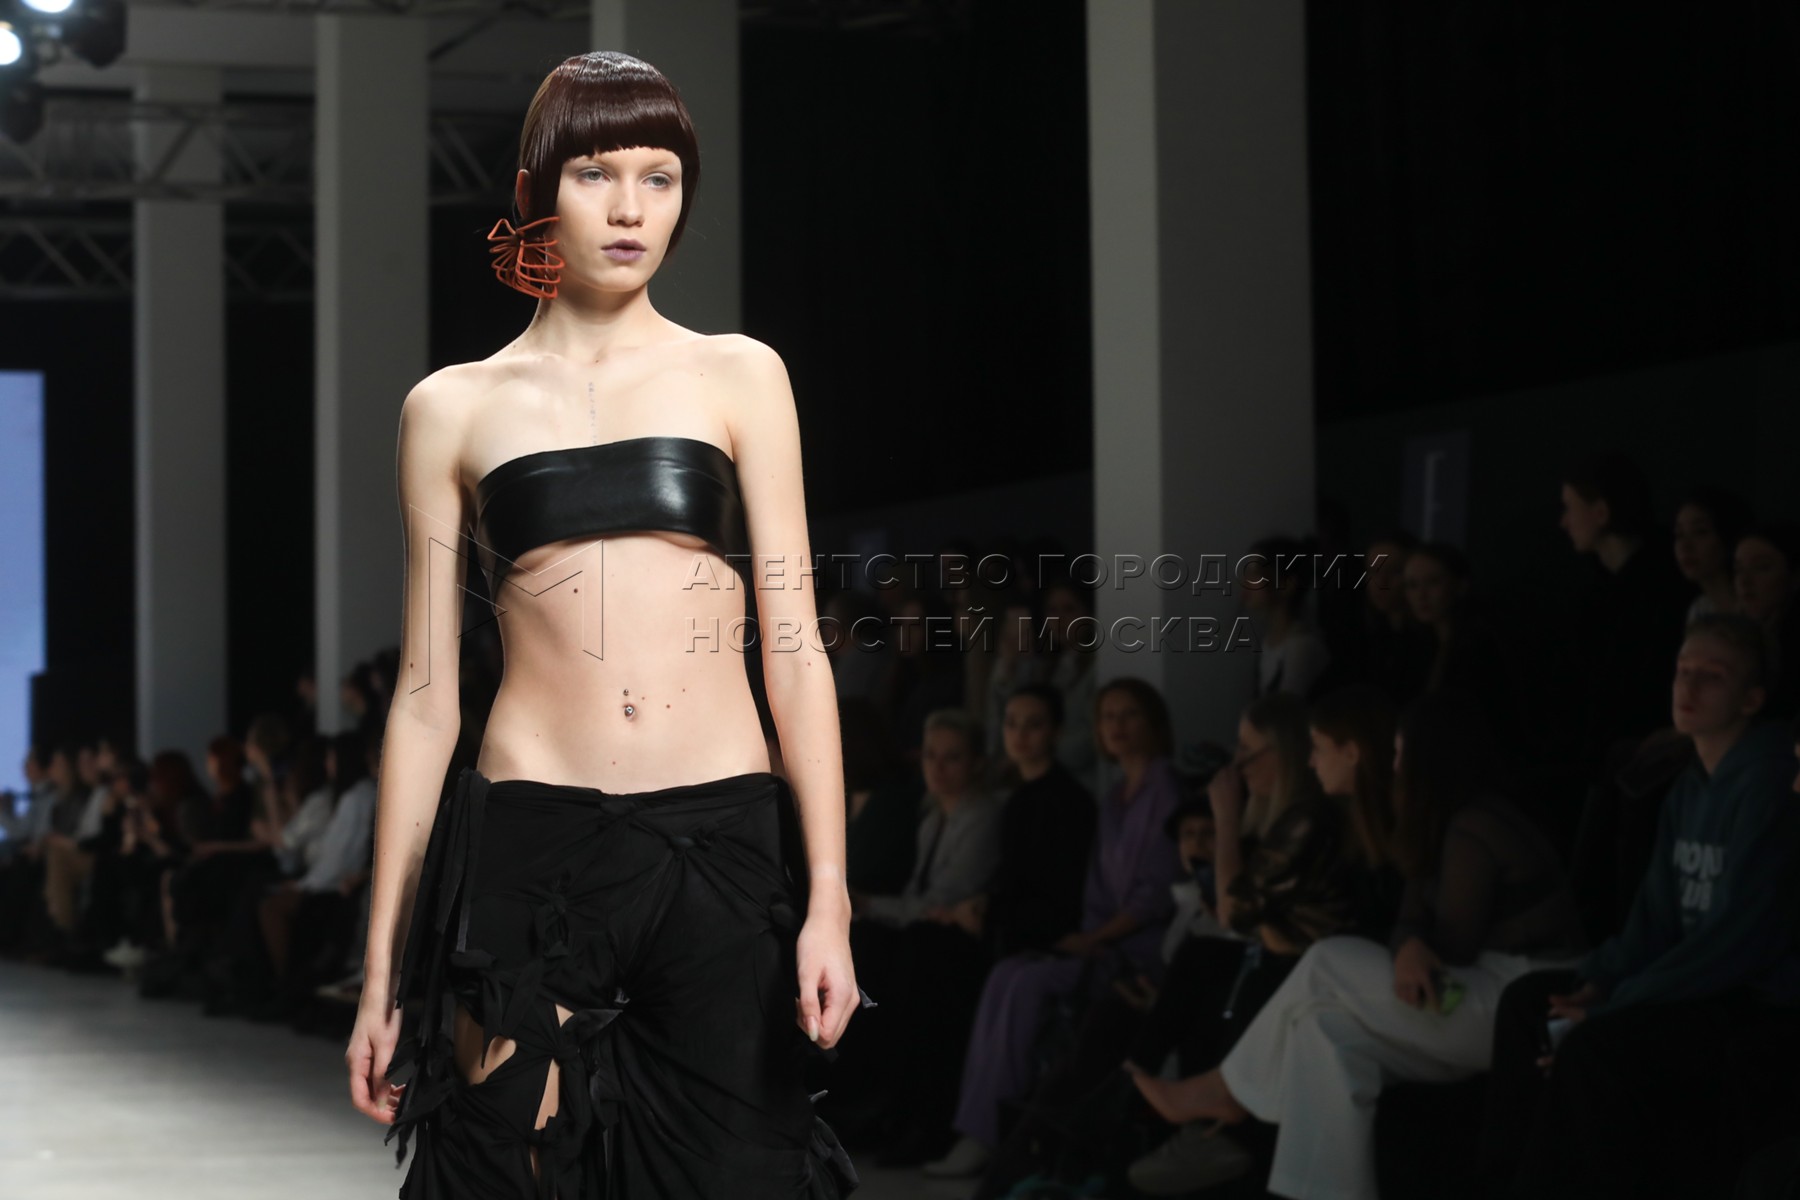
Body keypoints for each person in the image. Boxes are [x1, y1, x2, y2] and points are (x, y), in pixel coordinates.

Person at [344, 52, 866, 1199]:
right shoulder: (451, 407)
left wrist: (828, 900)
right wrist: (382, 971)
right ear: (536, 191)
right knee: (506, 1170)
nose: (631, 208)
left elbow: (795, 650)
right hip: (535, 842)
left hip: (720, 845)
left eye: (659, 178)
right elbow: (427, 696)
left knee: (734, 1179)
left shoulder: (740, 376)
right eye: (595, 174)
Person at [1126, 691, 1586, 1200]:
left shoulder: (1476, 825)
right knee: (1324, 1032)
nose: (1394, 766)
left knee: (1327, 960)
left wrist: (1414, 944)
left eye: (1401, 754)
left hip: (1524, 1000)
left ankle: (1226, 1089)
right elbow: (1413, 920)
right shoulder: (1438, 822)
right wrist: (1409, 943)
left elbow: (1451, 948)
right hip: (1482, 993)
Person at [1483, 616, 1800, 1200]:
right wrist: (1599, 983)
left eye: (1712, 676)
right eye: (1682, 670)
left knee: (1596, 1049)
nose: (1688, 687)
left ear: (1752, 699)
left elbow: (1740, 940)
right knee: (1530, 1005)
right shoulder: (1687, 787)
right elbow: (1653, 918)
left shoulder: (1771, 784)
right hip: (1687, 984)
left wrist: (1619, 1004)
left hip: (1750, 998)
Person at [923, 676, 1184, 1180]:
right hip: (1099, 939)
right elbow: (1096, 889)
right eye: (1108, 716)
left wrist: (1093, 939)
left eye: (1129, 715)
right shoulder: (1115, 798)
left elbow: (1153, 894)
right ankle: (979, 1127)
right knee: (1006, 975)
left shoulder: (1163, 790)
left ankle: (993, 1133)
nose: (1117, 726)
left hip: (1138, 951)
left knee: (1024, 982)